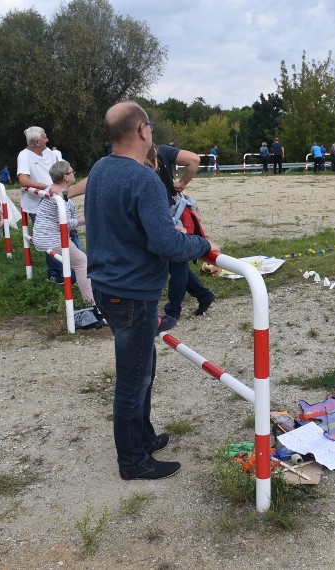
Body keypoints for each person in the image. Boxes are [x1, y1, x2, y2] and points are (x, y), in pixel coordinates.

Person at [86, 101, 219, 481]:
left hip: (109, 287)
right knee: (135, 377)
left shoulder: (100, 169)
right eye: (152, 127)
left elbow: (131, 229)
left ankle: (142, 438)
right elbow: (167, 245)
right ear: (143, 130)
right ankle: (132, 460)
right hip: (132, 292)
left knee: (142, 367)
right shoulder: (142, 178)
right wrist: (202, 244)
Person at [149, 143, 216, 331]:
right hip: (174, 211)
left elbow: (195, 159)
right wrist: (182, 183)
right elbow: (193, 160)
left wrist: (182, 184)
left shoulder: (146, 158)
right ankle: (203, 295)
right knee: (176, 263)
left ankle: (173, 311)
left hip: (173, 216)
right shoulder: (162, 151)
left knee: (177, 263)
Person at [32, 160, 94, 306]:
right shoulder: (59, 198)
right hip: (52, 239)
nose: (74, 174)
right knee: (82, 262)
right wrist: (83, 219)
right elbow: (64, 223)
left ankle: (88, 293)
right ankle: (91, 301)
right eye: (72, 171)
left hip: (42, 235)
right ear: (66, 177)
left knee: (79, 260)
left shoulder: (52, 190)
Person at [17, 126, 66, 284]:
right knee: (48, 236)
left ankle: (63, 269)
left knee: (60, 232)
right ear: (37, 142)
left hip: (52, 198)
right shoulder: (24, 156)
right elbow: (23, 180)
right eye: (45, 137)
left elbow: (58, 170)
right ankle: (55, 273)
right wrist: (46, 187)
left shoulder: (49, 153)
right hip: (36, 203)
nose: (48, 139)